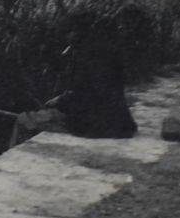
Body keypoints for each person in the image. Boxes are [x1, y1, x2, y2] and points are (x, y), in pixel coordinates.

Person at [46, 10, 138, 138]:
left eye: (67, 33)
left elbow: (85, 90)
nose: (66, 38)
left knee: (29, 123)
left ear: (75, 31)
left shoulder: (84, 53)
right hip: (120, 122)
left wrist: (60, 99)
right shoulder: (103, 46)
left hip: (95, 124)